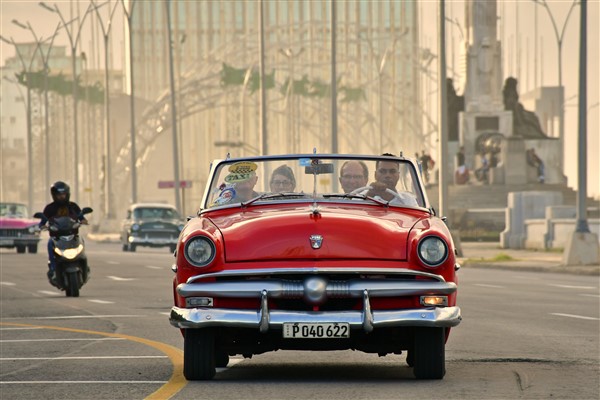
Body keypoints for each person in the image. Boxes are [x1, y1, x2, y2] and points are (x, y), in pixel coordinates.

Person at [40, 181, 88, 286]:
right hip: (57, 238)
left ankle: (85, 265)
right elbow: (43, 221)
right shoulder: (50, 208)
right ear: (54, 195)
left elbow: (81, 217)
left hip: (73, 236)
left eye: (63, 194)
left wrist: (83, 220)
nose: (61, 197)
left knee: (82, 241)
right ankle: (53, 269)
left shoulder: (73, 206)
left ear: (67, 194)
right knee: (49, 244)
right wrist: (42, 225)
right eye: (59, 195)